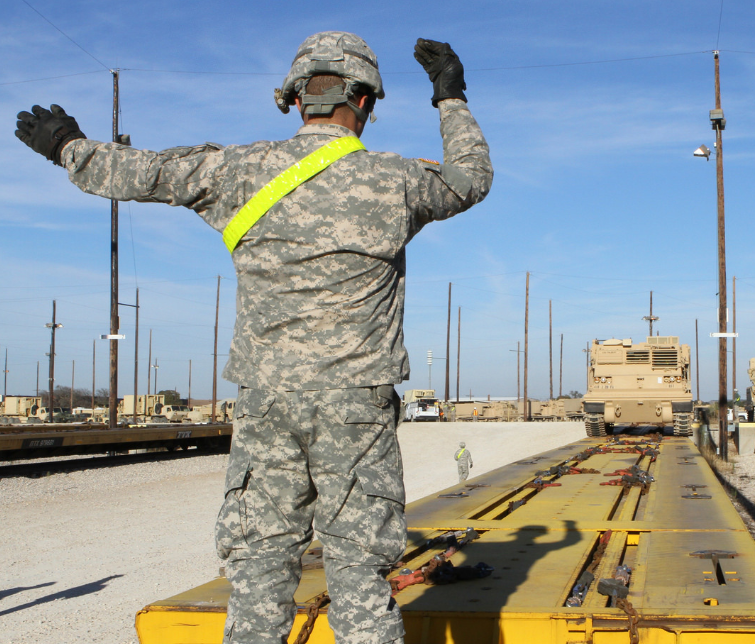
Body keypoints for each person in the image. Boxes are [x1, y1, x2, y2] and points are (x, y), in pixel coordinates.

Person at [15, 32, 492, 644]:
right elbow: (471, 178)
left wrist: (67, 146)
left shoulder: (237, 169)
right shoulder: (396, 180)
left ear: (294, 99)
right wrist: (451, 98)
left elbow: (140, 172)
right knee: (359, 572)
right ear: (365, 100)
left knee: (260, 565)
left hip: (266, 403)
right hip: (357, 404)